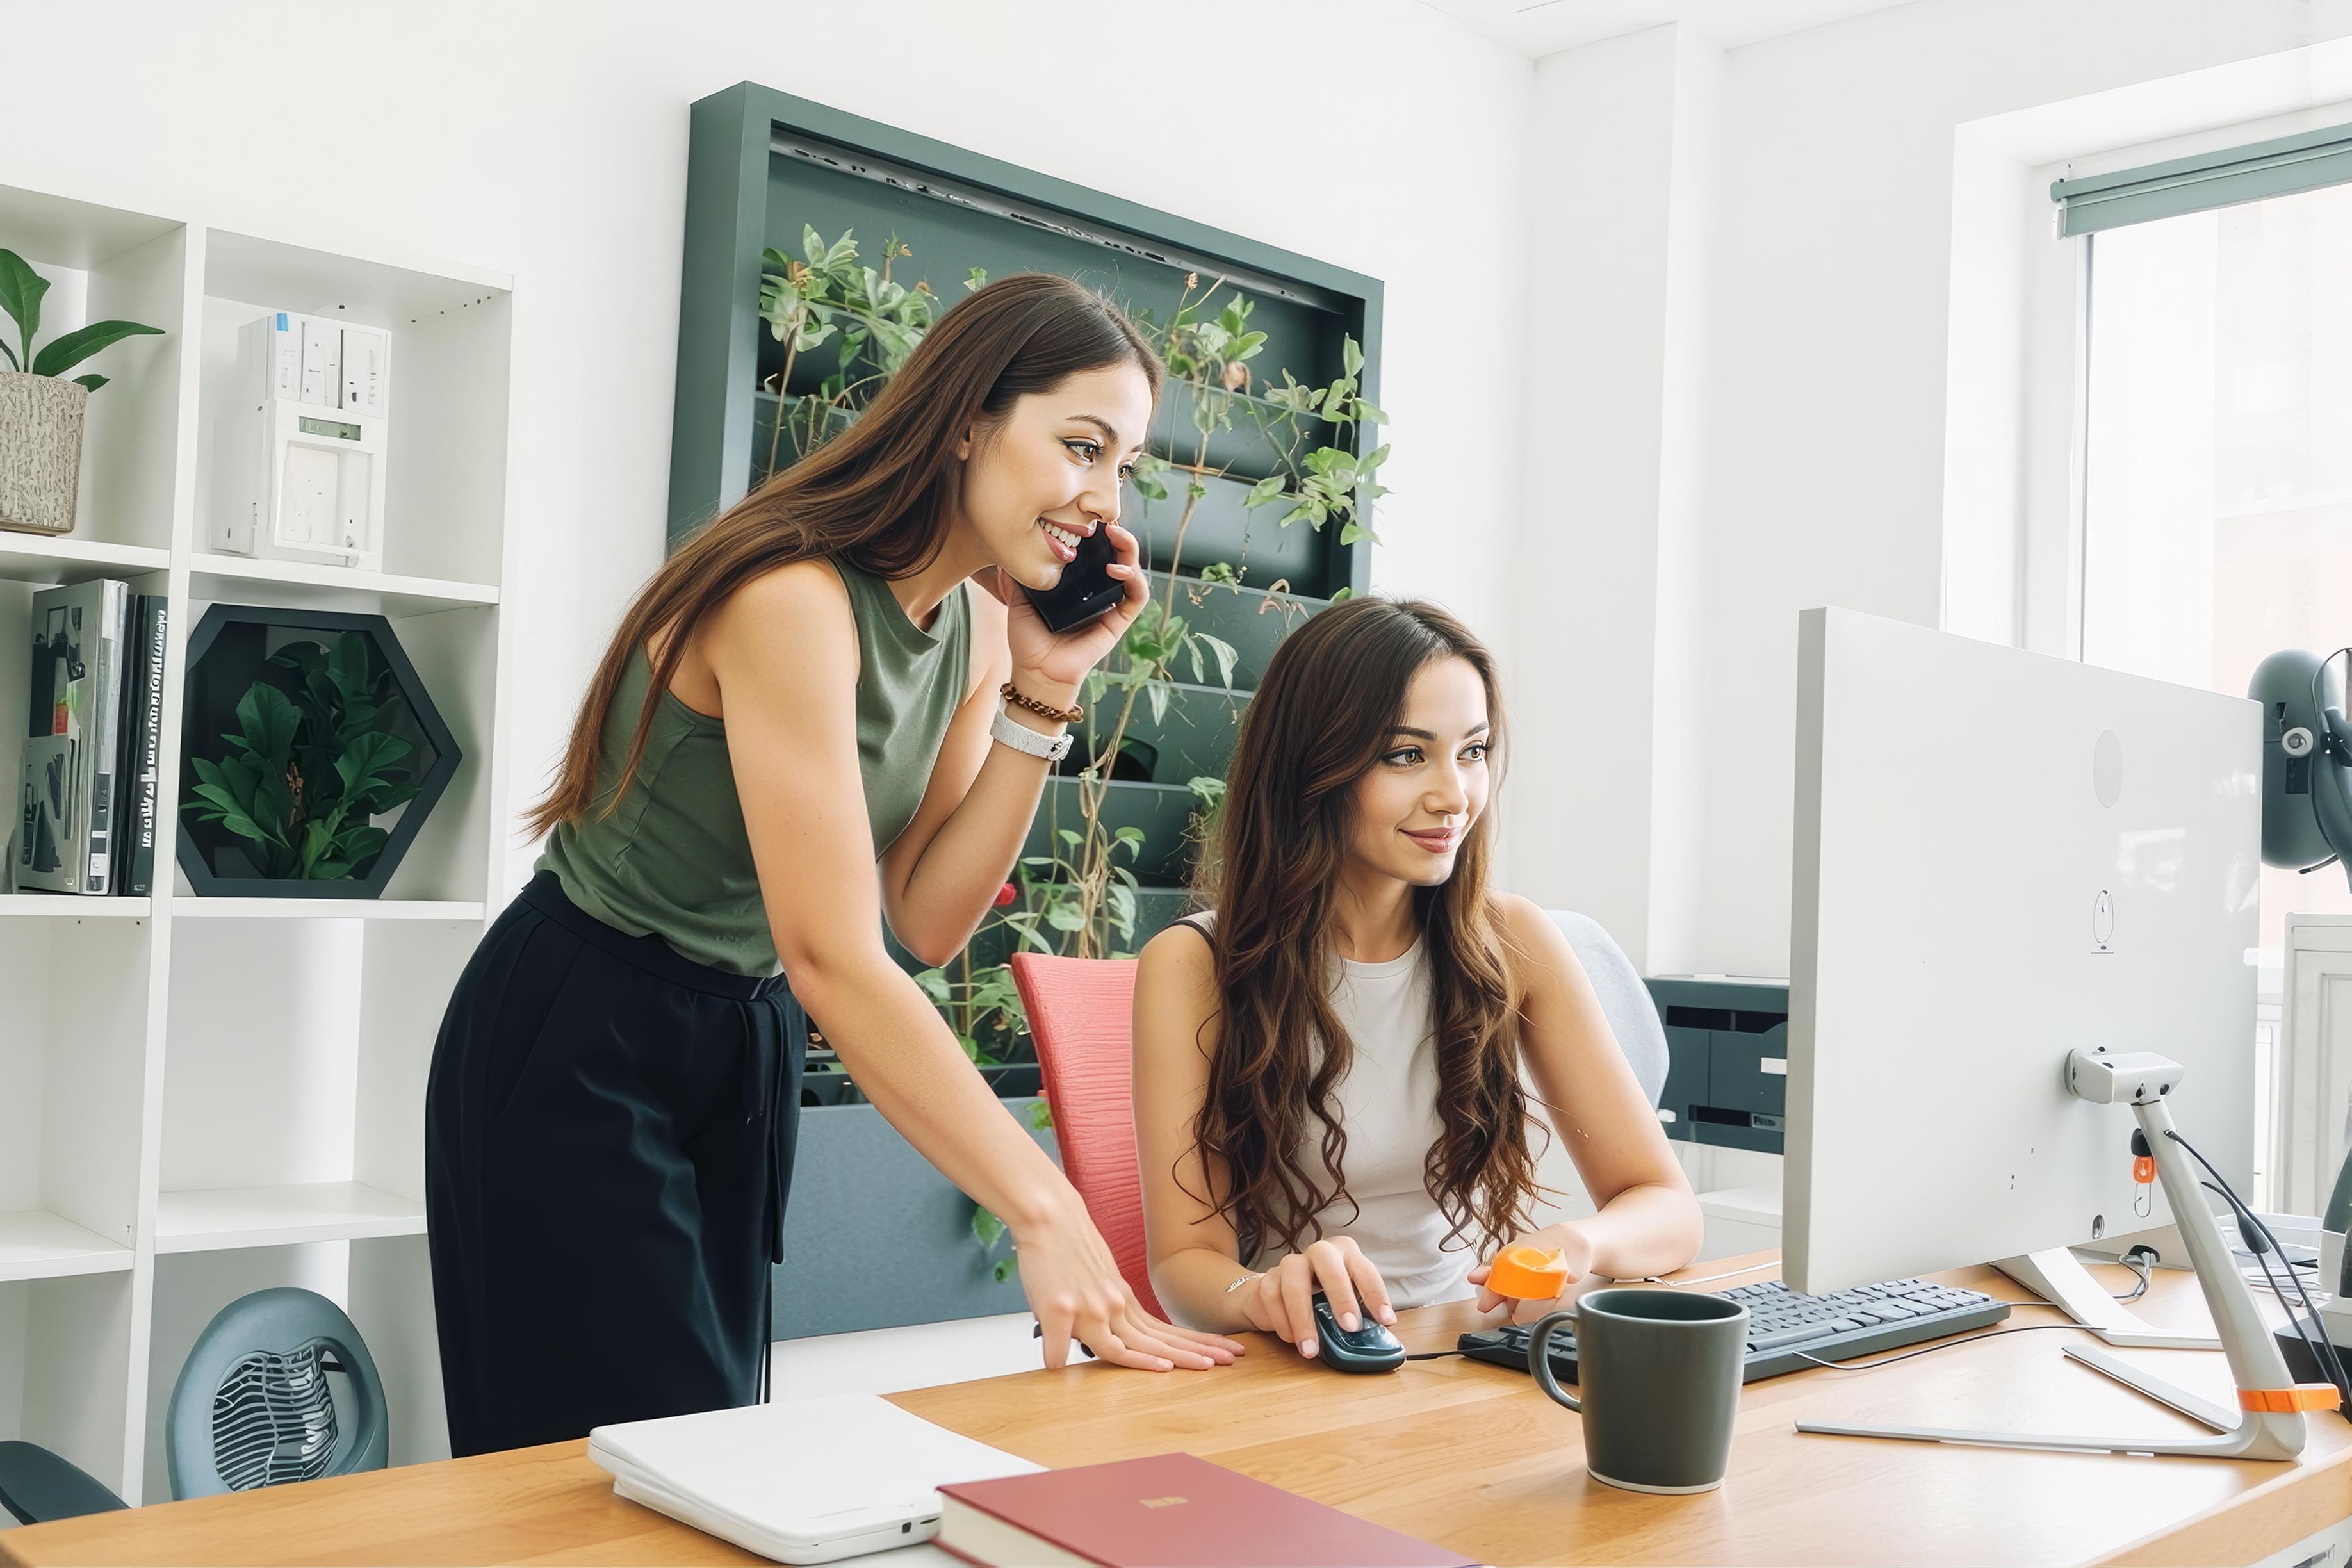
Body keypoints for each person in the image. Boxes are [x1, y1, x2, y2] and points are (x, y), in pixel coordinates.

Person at [425, 273, 1242, 1457]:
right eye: (1080, 445)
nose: (1100, 497)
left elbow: (921, 919)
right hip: (581, 1026)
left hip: (735, 1038)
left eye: (1121, 465)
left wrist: (1044, 691)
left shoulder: (967, 628)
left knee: (707, 1458)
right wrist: (1045, 1202)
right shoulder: (791, 598)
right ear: (968, 416)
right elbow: (834, 957)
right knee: (599, 1478)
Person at [1132, 597, 1702, 1354]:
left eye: (1472, 751)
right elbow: (1183, 1264)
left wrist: (1579, 1244)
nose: (1454, 796)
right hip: (1295, 1358)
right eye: (1407, 755)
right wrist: (1266, 1290)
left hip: (1462, 1347)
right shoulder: (1194, 963)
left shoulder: (1513, 939)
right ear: (1313, 768)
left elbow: (1667, 1207)